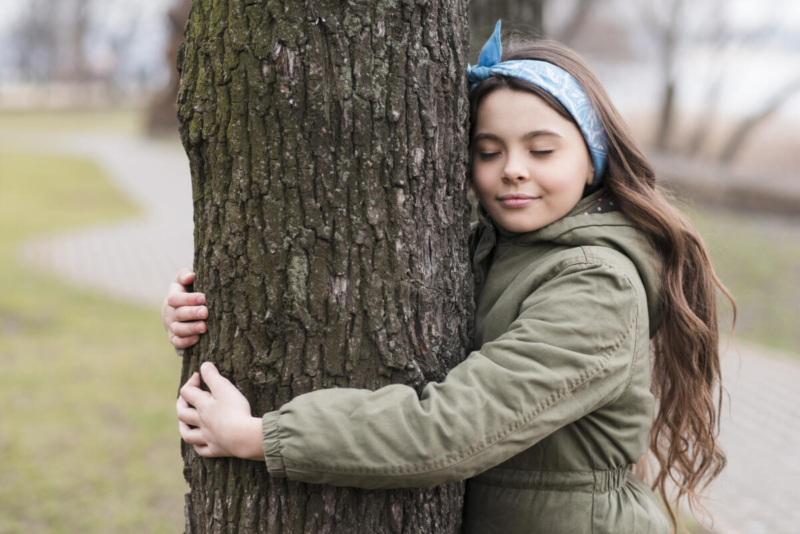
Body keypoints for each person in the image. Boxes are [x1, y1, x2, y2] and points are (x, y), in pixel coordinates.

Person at [162, 21, 736, 534]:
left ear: (593, 161)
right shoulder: (495, 247)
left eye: (541, 150)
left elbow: (449, 429)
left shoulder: (595, 286)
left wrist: (262, 436)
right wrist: (199, 311)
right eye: (489, 151)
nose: (513, 169)